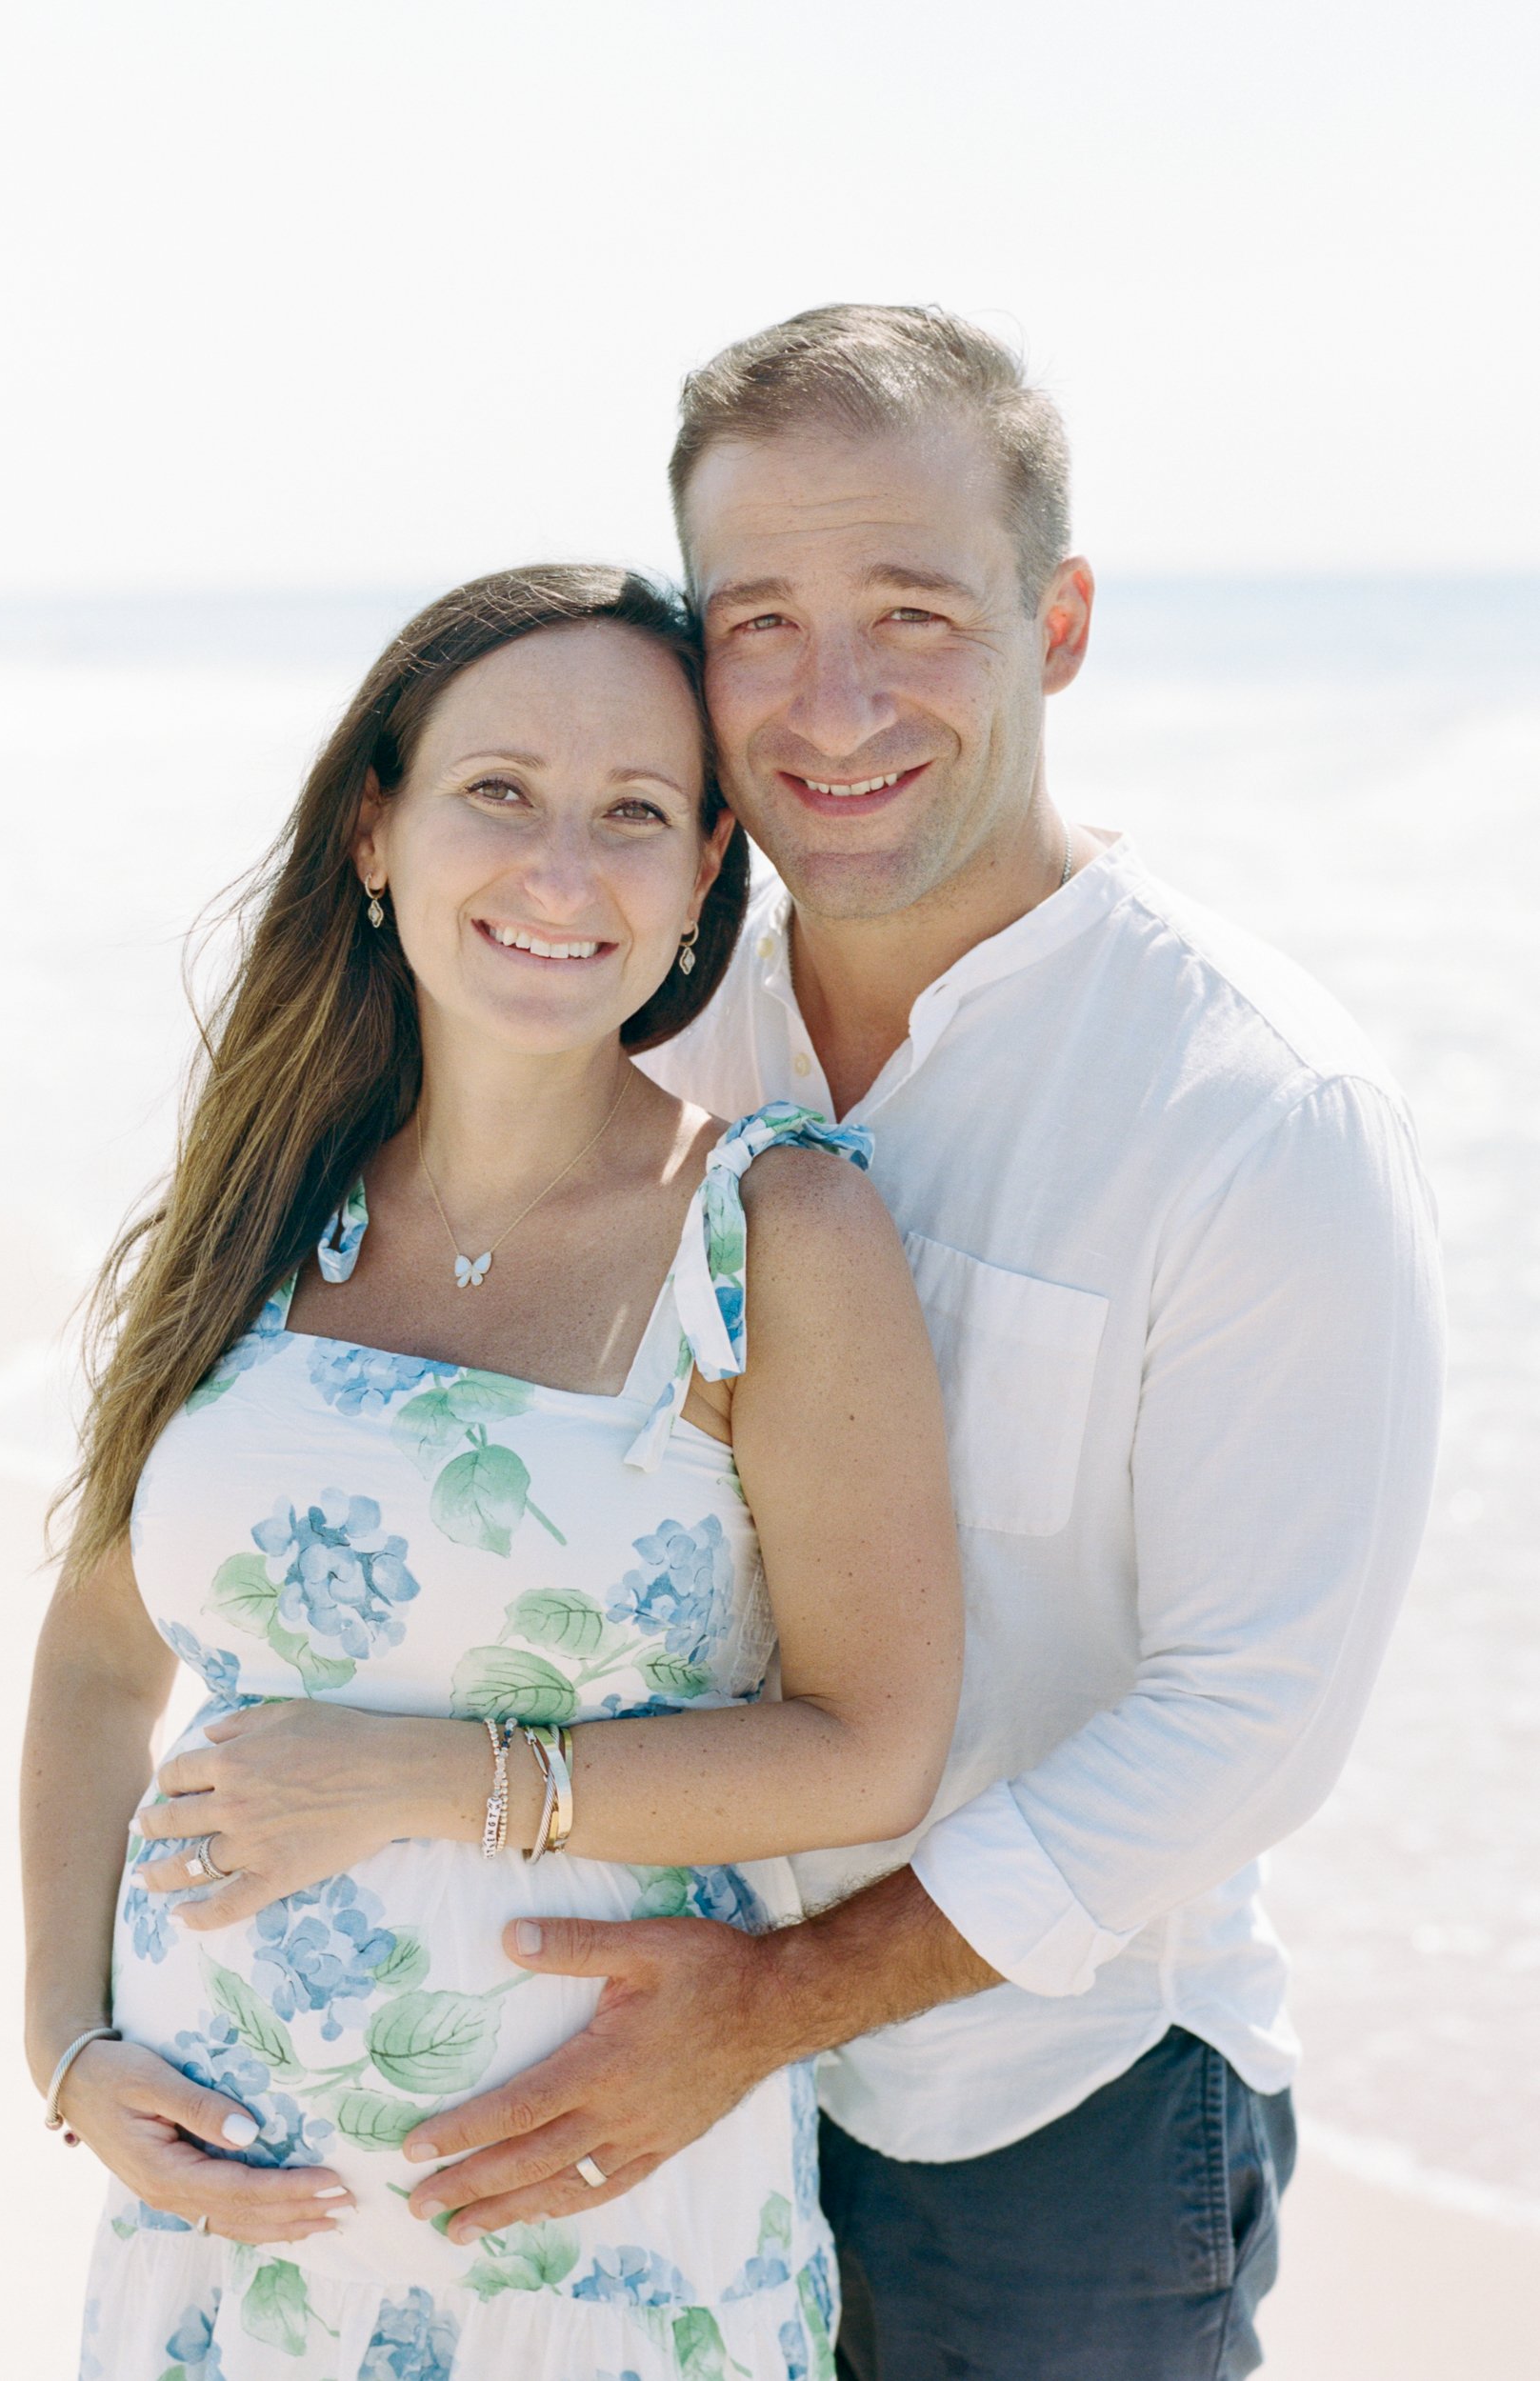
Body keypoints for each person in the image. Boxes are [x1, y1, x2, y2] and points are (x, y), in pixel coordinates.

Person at [380, 310, 1449, 2379]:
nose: (834, 699)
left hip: (1038, 2115)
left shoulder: (1249, 1110)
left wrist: (770, 2006)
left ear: (1053, 623)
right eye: (758, 619)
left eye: (912, 611)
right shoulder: (639, 1036)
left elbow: (1245, 1724)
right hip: (626, 2061)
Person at [22, 563, 965, 2381]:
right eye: (498, 794)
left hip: (587, 2234)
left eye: (631, 815)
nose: (558, 871)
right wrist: (68, 2049)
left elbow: (872, 1741)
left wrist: (423, 1779)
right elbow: (93, 1657)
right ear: (375, 832)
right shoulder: (251, 1204)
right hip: (225, 2224)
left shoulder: (775, 1224)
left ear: (703, 877)